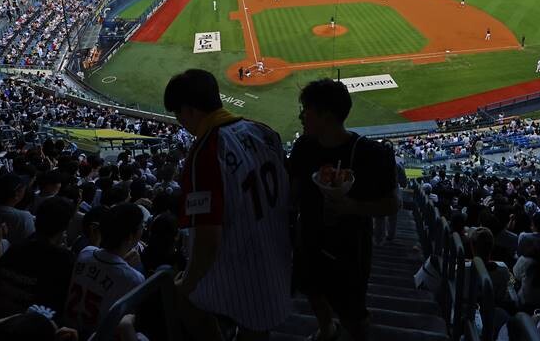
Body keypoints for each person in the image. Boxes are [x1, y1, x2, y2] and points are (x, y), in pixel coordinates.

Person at [164, 69, 292, 339]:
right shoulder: (264, 131)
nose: (180, 121)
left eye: (178, 114)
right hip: (278, 259)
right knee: (257, 328)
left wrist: (187, 283)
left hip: (241, 270)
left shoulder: (205, 152)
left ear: (189, 110)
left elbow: (208, 239)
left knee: (182, 296)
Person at [288, 79, 399, 341]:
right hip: (309, 240)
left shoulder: (369, 153)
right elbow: (292, 194)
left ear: (326, 116)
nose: (302, 116)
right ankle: (327, 328)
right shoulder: (303, 147)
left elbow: (393, 204)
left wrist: (353, 207)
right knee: (312, 292)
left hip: (350, 250)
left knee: (353, 313)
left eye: (307, 110)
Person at [65, 203, 147, 339]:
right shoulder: (134, 278)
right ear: (131, 236)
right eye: (141, 227)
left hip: (68, 332)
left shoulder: (86, 252)